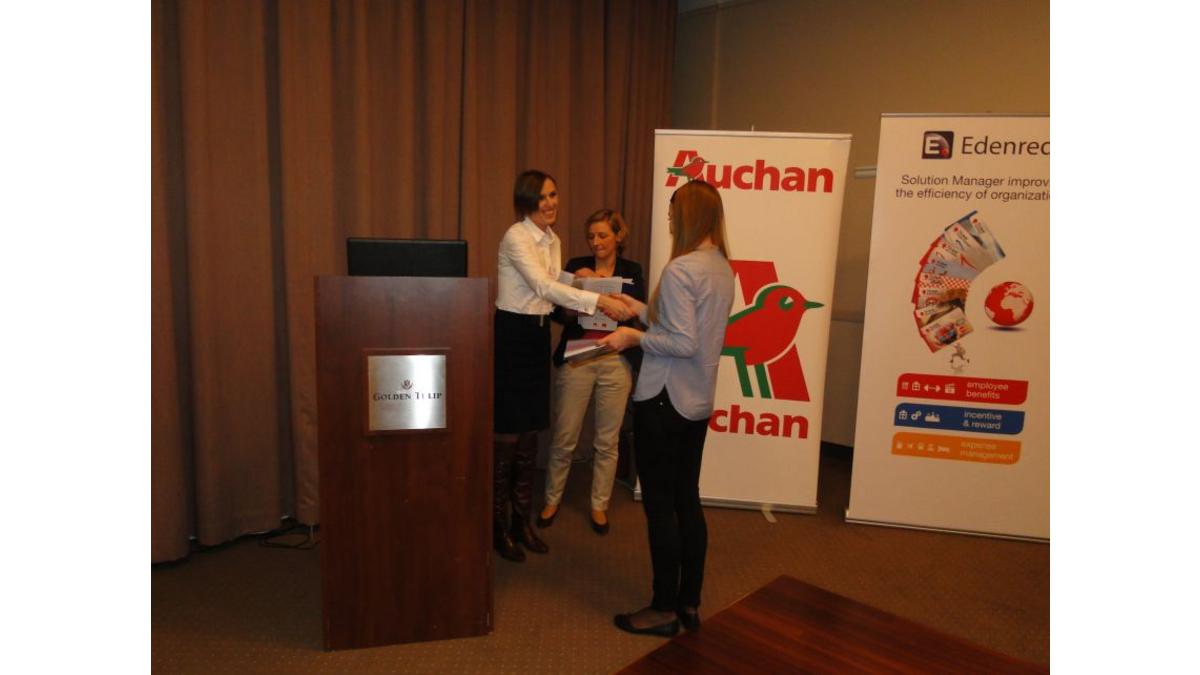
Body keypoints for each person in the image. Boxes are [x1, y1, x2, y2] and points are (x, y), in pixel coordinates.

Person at [596, 180, 734, 636]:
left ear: (688, 215)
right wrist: (639, 308)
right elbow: (683, 326)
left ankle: (662, 609)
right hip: (696, 401)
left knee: (660, 508)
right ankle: (688, 603)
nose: (670, 222)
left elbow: (682, 342)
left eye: (673, 214)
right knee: (686, 500)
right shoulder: (721, 267)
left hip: (664, 400)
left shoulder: (681, 269)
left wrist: (632, 336)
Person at [493, 170, 632, 563]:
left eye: (553, 194)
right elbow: (542, 286)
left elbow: (555, 283)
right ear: (526, 202)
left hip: (538, 334)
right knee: (508, 435)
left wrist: (581, 279)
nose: (550, 203)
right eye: (541, 197)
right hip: (513, 334)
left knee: (530, 433)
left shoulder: (552, 240)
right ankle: (498, 527)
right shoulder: (516, 236)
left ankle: (522, 523)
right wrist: (598, 300)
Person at [537, 210, 646, 536]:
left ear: (618, 236)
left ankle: (599, 504)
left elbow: (637, 315)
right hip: (579, 355)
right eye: (591, 236)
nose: (596, 242)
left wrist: (613, 301)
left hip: (615, 356)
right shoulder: (576, 265)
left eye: (602, 235)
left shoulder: (631, 271)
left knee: (607, 440)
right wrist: (582, 300)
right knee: (565, 436)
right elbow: (558, 313)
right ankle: (552, 499)